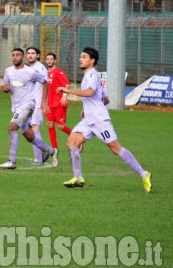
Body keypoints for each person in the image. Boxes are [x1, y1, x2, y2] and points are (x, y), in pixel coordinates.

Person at [57, 47, 152, 193]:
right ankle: (78, 177)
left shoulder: (93, 75)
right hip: (89, 119)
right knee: (71, 142)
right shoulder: (89, 76)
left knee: (116, 148)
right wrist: (89, 108)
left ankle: (144, 174)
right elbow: (105, 99)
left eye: (84, 57)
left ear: (92, 60)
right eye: (80, 57)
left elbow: (89, 92)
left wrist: (68, 91)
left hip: (100, 120)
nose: (80, 59)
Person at [0, 48, 57, 170]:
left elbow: (45, 83)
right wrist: (5, 89)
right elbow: (6, 88)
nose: (15, 57)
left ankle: (12, 161)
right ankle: (51, 151)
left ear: (23, 58)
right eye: (13, 55)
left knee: (11, 127)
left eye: (18, 55)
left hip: (28, 105)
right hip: (16, 107)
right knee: (30, 137)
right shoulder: (8, 71)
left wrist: (43, 102)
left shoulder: (30, 72)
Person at [45, 52, 72, 167]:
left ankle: (75, 137)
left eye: (51, 59)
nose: (49, 61)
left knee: (60, 126)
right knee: (49, 124)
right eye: (47, 59)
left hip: (60, 102)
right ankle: (55, 150)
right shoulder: (45, 73)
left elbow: (67, 84)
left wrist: (65, 96)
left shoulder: (59, 72)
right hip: (50, 104)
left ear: (55, 61)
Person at [26, 47, 48, 165]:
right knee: (27, 129)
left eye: (33, 53)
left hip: (38, 104)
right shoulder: (30, 68)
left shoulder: (40, 68)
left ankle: (38, 159)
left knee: (34, 129)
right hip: (30, 104)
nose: (30, 55)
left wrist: (43, 102)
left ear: (38, 55)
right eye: (28, 53)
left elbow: (45, 84)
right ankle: (45, 150)